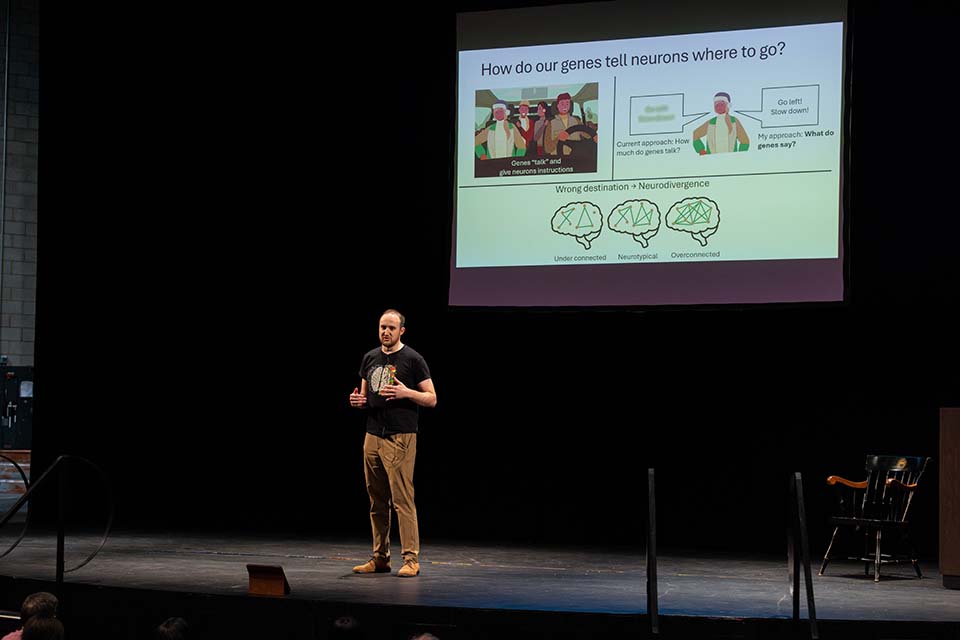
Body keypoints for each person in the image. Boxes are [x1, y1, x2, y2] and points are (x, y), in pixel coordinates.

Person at [349, 309, 437, 578]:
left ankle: (411, 559)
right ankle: (380, 557)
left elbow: (432, 398)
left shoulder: (413, 359)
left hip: (400, 436)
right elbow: (365, 396)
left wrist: (406, 392)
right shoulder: (370, 358)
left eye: (391, 328)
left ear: (401, 331)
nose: (385, 332)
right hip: (373, 435)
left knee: (402, 500)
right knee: (377, 500)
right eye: (382, 327)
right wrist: (358, 401)